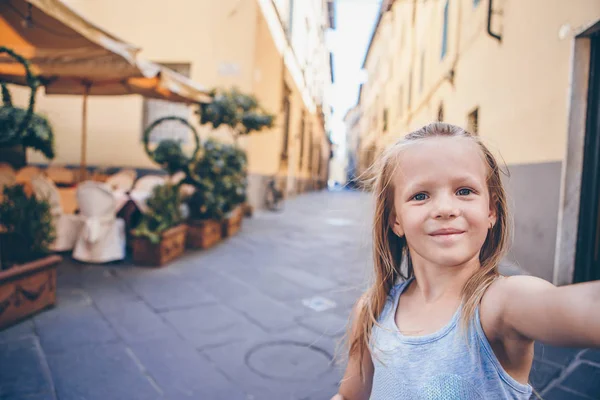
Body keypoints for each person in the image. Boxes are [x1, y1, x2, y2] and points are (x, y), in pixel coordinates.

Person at [331, 122, 600, 400]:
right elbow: (350, 396)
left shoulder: (499, 305)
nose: (446, 209)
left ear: (491, 210)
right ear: (395, 220)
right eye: (420, 195)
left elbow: (579, 306)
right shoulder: (373, 309)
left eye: (464, 191)